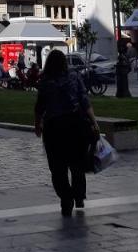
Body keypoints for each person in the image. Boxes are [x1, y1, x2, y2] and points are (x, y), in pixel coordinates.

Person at [34, 49, 99, 216]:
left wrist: (37, 124)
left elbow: (40, 106)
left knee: (57, 168)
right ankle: (78, 195)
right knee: (77, 164)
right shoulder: (74, 77)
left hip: (54, 128)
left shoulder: (45, 81)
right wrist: (94, 122)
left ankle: (66, 197)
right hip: (75, 125)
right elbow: (84, 101)